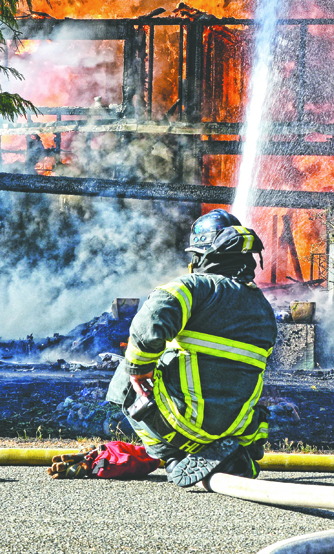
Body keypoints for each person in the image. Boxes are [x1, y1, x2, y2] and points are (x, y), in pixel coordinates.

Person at [106, 209, 277, 487]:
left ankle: (174, 457)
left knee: (125, 376)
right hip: (236, 427)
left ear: (201, 255)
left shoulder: (194, 287)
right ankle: (240, 454)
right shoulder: (263, 309)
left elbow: (149, 322)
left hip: (186, 425)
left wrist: (140, 369)